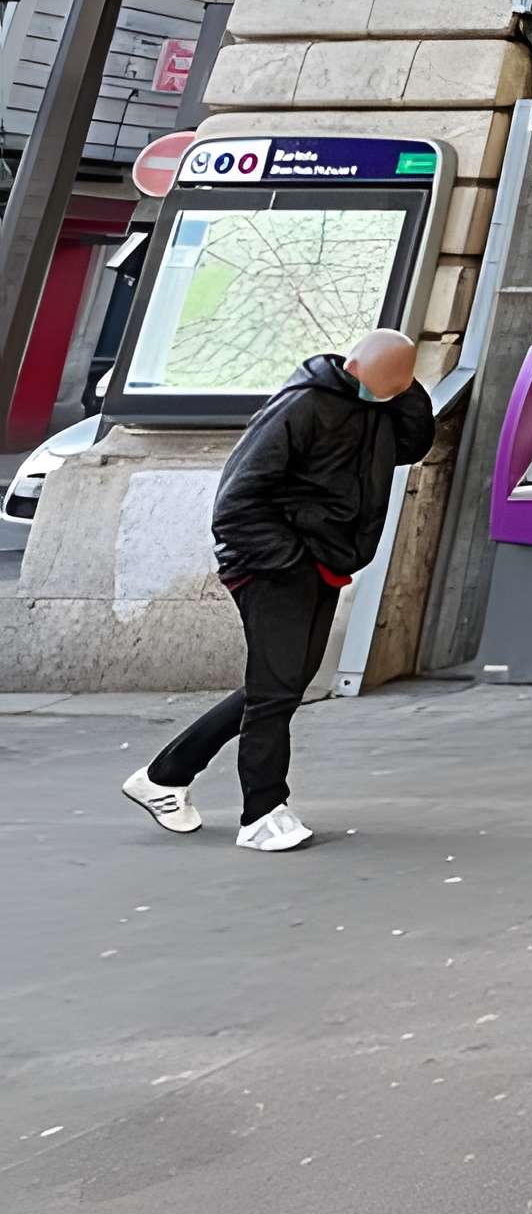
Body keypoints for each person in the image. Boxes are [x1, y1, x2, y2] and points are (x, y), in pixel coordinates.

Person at [121, 328, 435, 852]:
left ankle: (164, 777)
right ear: (356, 369)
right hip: (273, 565)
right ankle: (262, 812)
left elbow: (412, 444)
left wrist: (405, 392)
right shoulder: (300, 406)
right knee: (276, 689)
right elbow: (236, 500)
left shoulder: (380, 408)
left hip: (321, 561)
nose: (389, 394)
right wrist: (289, 559)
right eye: (387, 385)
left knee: (281, 685)